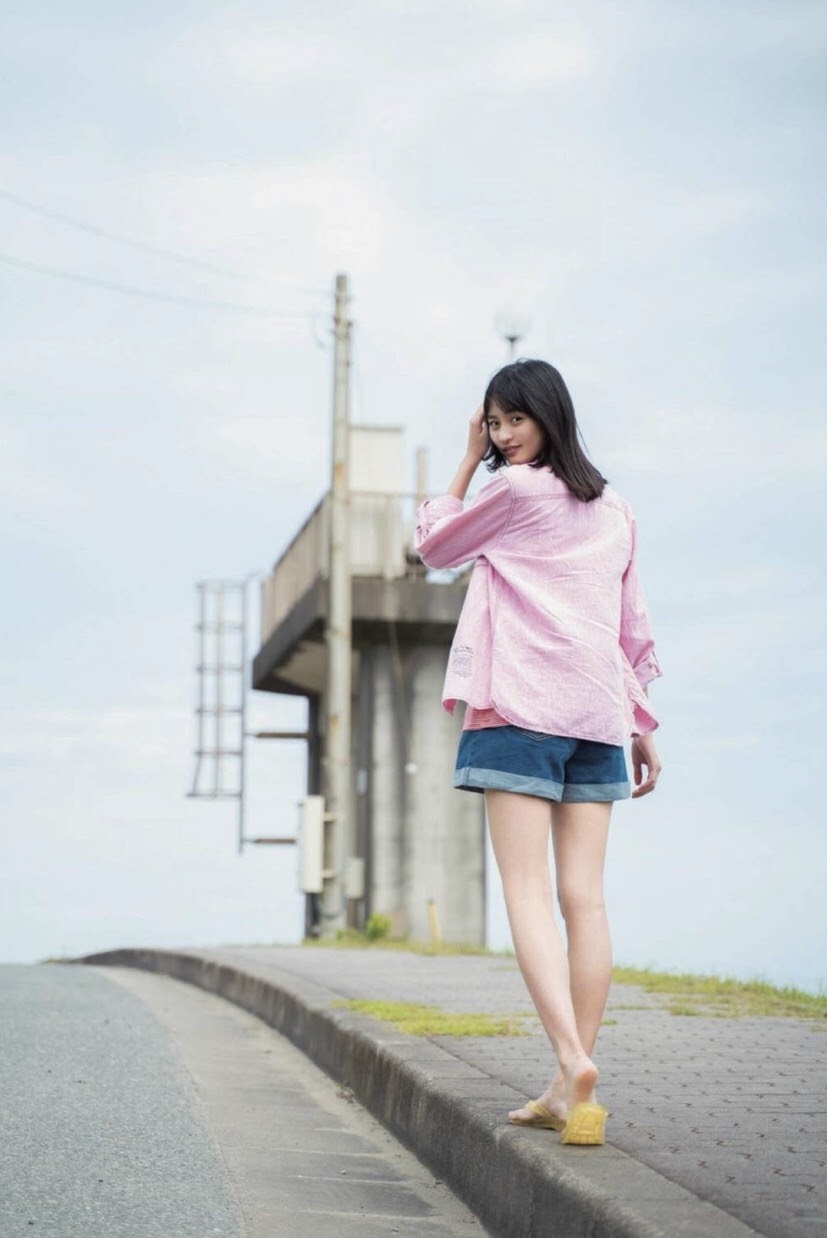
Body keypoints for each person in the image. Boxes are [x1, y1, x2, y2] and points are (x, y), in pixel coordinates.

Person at [414, 358, 662, 1147]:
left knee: (527, 893)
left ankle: (569, 1061)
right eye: (491, 424)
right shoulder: (615, 507)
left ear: (548, 415)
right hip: (596, 716)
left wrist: (463, 463)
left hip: (519, 709)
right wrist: (640, 721)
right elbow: (627, 626)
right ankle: (569, 1086)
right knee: (584, 900)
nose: (500, 436)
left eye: (511, 419)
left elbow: (435, 548)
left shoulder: (514, 492)